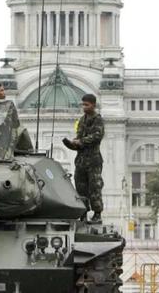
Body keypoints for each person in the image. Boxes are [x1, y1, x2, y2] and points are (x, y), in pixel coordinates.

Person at [63, 94, 105, 224]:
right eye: (83, 104)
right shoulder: (82, 120)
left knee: (94, 187)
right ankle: (83, 212)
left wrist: (81, 141)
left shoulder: (98, 119)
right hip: (81, 161)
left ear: (93, 105)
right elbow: (79, 137)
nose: (84, 107)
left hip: (93, 161)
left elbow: (97, 136)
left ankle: (97, 213)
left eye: (86, 105)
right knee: (80, 187)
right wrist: (72, 143)